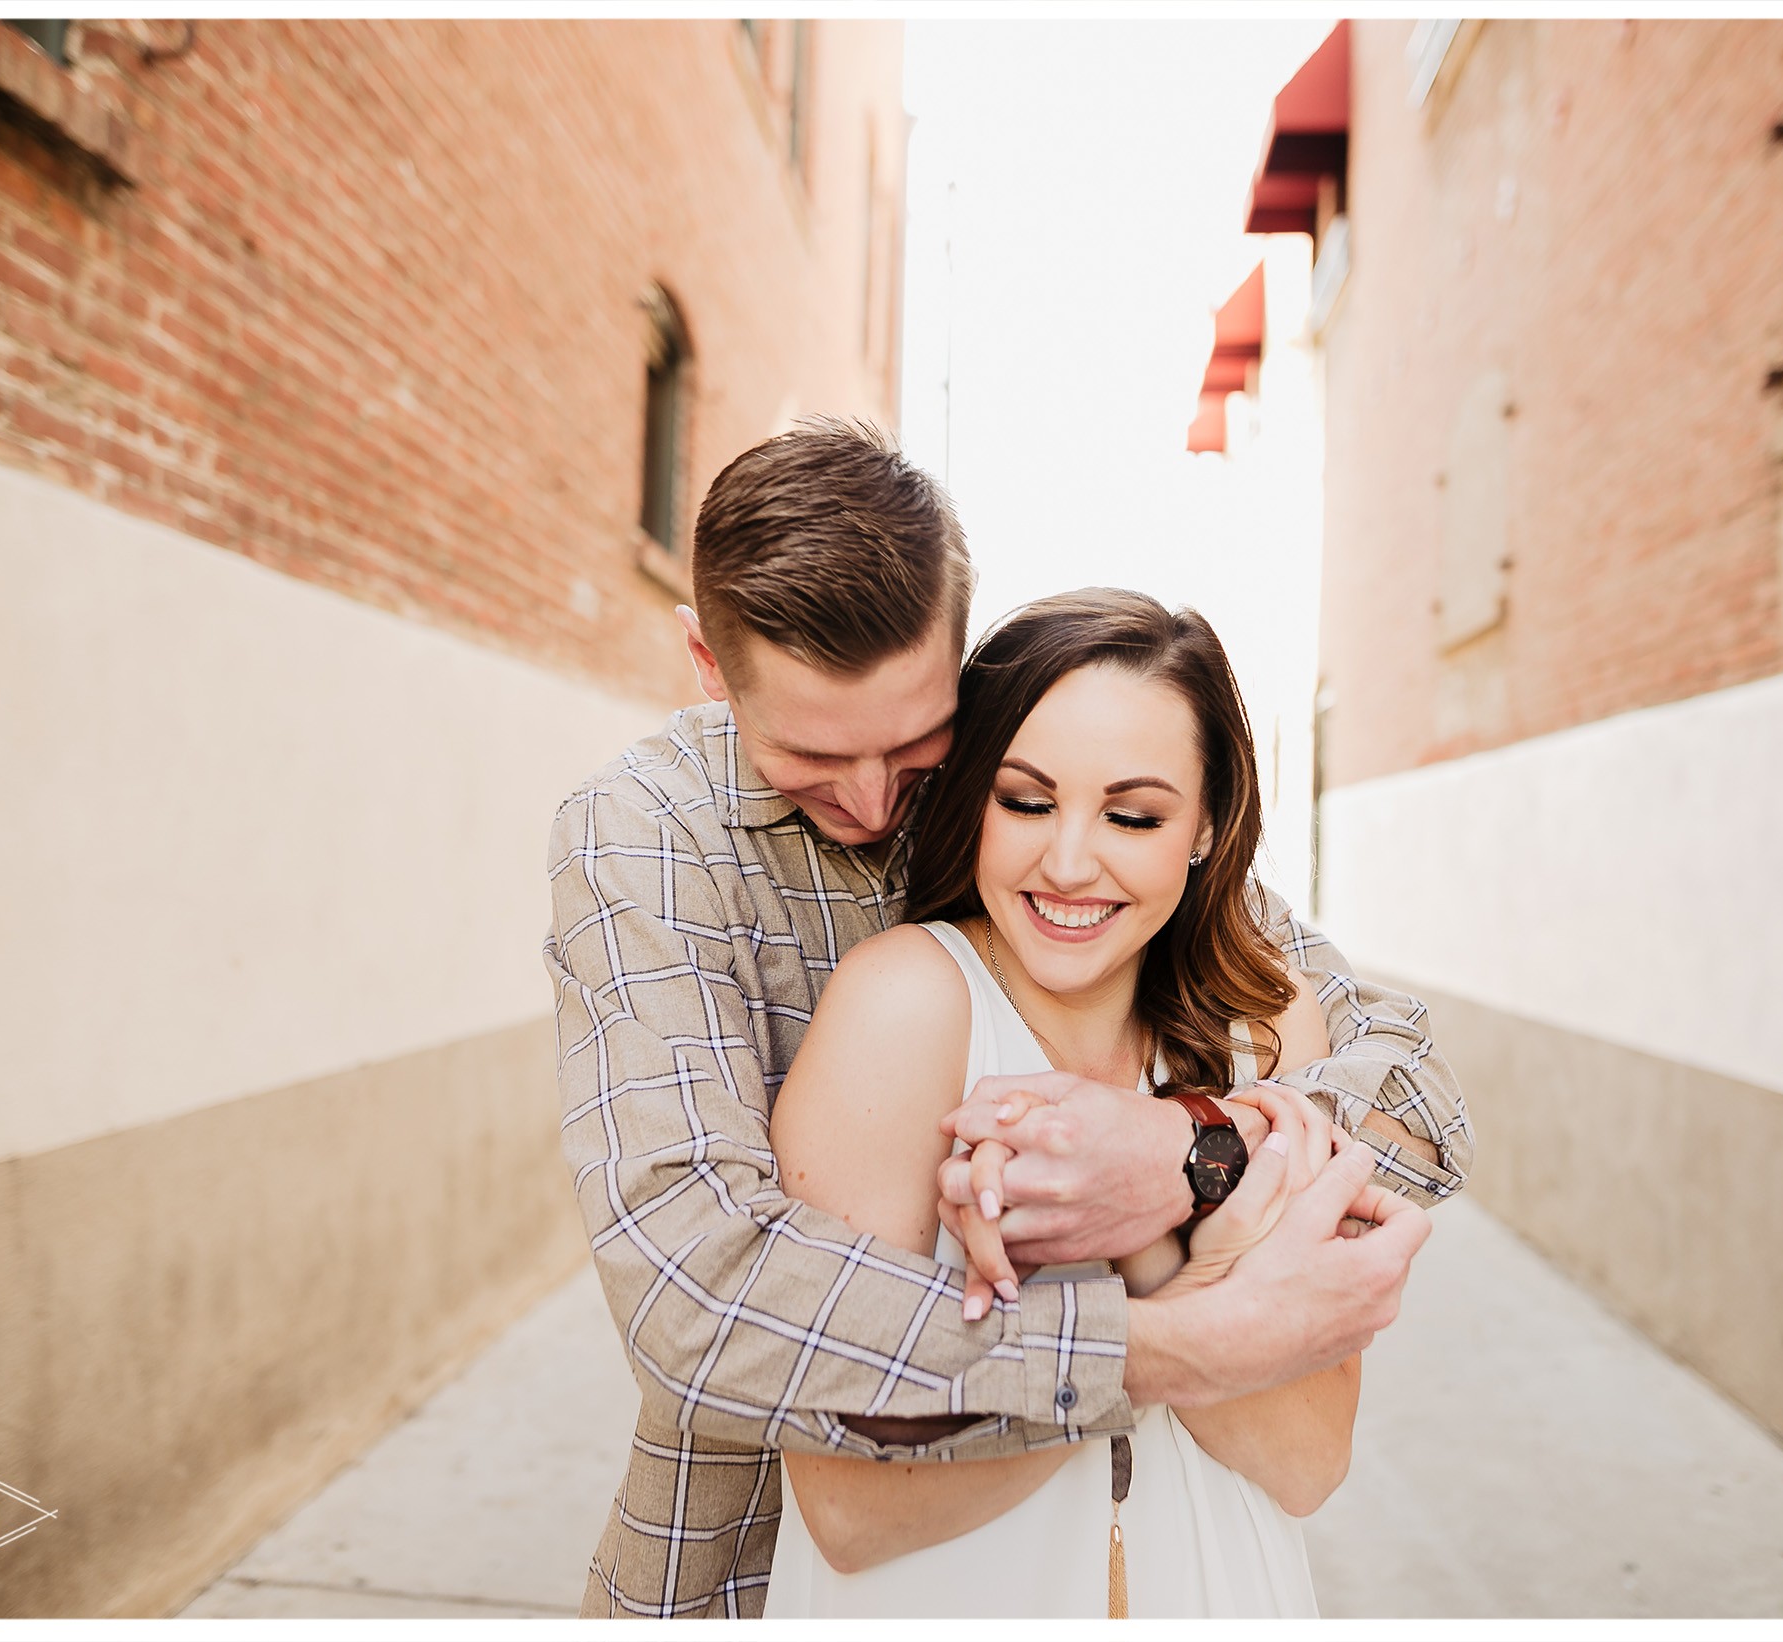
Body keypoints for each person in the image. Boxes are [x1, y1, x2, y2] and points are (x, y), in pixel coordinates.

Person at [540, 419, 1470, 1618]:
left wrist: (1186, 1154)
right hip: (755, 1550)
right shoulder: (648, 837)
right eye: (812, 754)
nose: (877, 804)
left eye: (919, 747)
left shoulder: (1056, 800)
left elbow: (1412, 1084)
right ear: (709, 668)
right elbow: (699, 1283)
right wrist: (1194, 1333)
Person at [766, 588, 1420, 1616]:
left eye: (1132, 814)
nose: (1068, 862)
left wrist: (1141, 1220)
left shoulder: (1270, 1029)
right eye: (1025, 800)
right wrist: (1204, 1326)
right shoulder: (906, 1005)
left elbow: (1307, 1462)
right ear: (972, 795)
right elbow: (848, 1504)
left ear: (1206, 825)